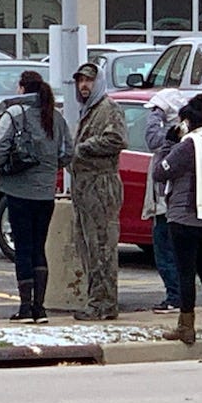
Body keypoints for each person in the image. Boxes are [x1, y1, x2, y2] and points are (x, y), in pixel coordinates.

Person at [0, 70, 74, 323]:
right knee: (39, 247)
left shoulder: (15, 114)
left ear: (21, 88)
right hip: (45, 192)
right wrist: (49, 167)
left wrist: (2, 170)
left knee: (23, 248)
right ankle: (40, 307)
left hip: (18, 189)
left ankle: (25, 307)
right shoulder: (55, 117)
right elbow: (68, 152)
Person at [156, 94, 202, 345]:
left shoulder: (186, 146)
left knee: (186, 272)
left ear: (185, 123)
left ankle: (186, 326)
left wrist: (168, 144)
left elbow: (159, 171)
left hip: (184, 218)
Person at [70, 62, 126, 321]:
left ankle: (104, 304)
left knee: (102, 246)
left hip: (101, 186)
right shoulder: (88, 111)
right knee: (86, 246)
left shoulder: (108, 108)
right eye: (80, 81)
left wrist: (83, 147)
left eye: (89, 81)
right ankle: (96, 300)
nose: (84, 85)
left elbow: (116, 139)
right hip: (83, 187)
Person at [139, 86, 187, 316]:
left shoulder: (173, 134)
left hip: (167, 204)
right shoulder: (187, 132)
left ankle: (175, 297)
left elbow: (151, 139)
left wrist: (156, 114)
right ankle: (179, 295)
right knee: (174, 252)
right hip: (170, 204)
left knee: (165, 252)